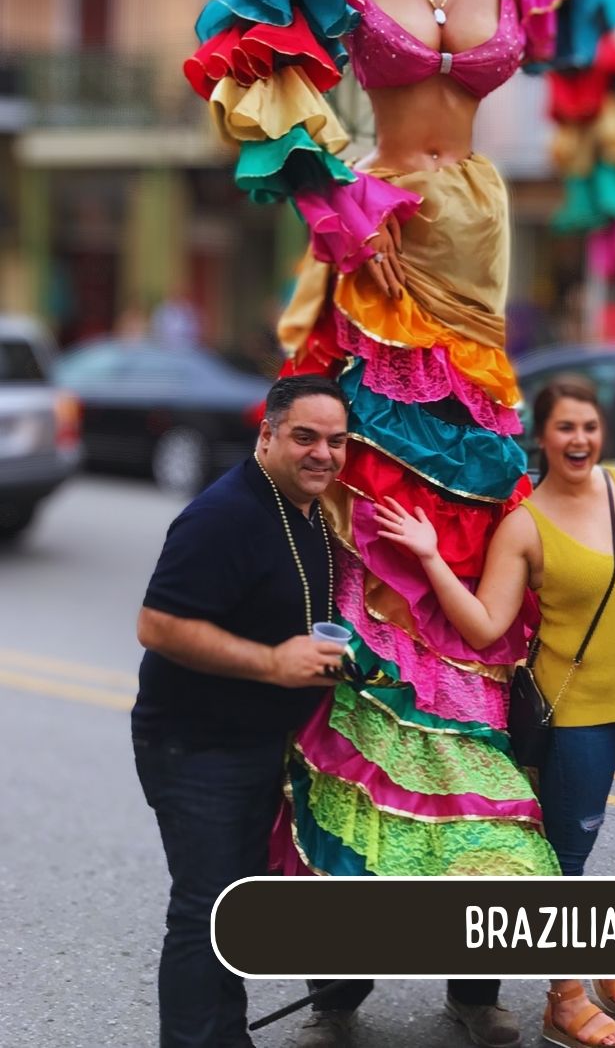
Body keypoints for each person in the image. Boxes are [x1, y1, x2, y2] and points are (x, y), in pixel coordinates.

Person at [179, 0, 615, 1046]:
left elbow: (581, 131)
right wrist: (330, 193)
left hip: (481, 274)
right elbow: (261, 91)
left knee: (463, 554)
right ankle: (347, 878)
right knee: (377, 558)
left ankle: (475, 891)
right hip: (379, 269)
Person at [376, 375, 615, 1048]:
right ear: (544, 437)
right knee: (567, 860)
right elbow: (484, 624)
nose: (579, 439)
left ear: (601, 431)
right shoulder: (524, 527)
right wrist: (433, 557)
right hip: (577, 713)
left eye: (588, 426)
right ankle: (564, 997)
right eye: (565, 428)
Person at [132, 374, 350, 1048]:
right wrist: (271, 662)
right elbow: (158, 625)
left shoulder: (307, 507)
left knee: (233, 908)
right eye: (305, 437)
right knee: (205, 912)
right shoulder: (224, 515)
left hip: (258, 740)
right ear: (267, 435)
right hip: (197, 744)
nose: (323, 454)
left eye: (336, 441)